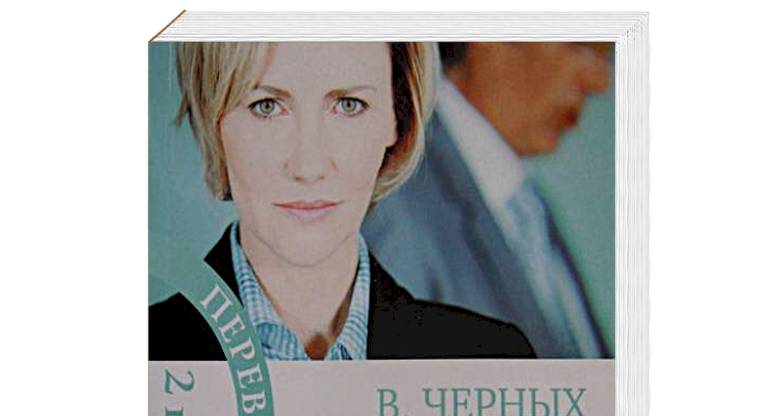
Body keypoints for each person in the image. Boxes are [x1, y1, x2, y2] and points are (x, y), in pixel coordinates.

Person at [149, 42, 534, 361]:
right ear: (213, 117)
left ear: (397, 117)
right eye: (266, 106)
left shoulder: (493, 363)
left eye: (349, 105)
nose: (308, 166)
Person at [363, 43, 611, 358]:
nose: (599, 82)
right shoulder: (396, 197)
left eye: (605, 56)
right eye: (581, 47)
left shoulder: (527, 206)